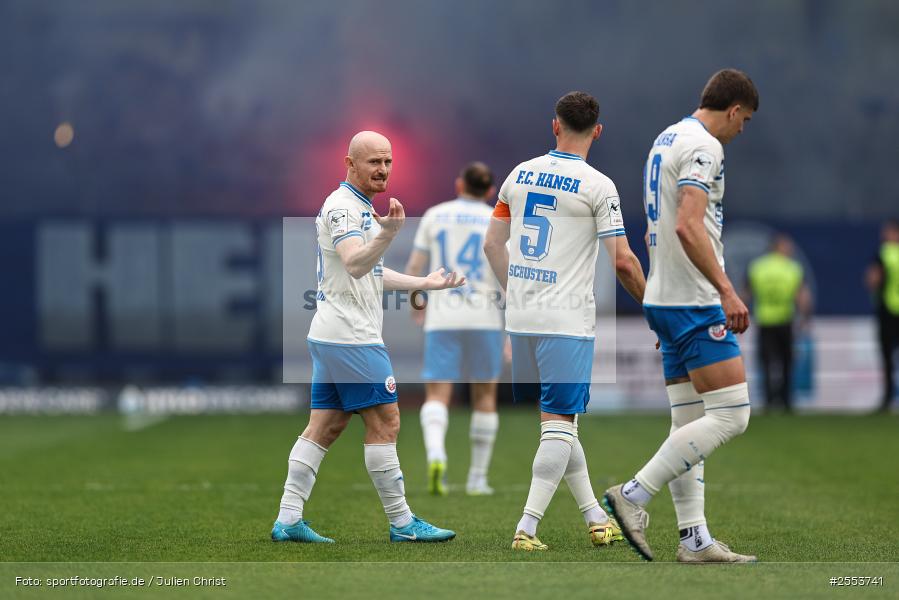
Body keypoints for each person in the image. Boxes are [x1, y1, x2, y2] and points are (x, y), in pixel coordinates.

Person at [271, 131, 465, 544]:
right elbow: (356, 263)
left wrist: (424, 283)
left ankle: (288, 519)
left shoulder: (359, 207)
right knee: (387, 421)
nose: (382, 170)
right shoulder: (343, 207)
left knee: (324, 427)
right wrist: (390, 234)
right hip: (350, 338)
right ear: (350, 163)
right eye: (374, 162)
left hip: (333, 334)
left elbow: (371, 272)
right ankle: (402, 523)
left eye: (388, 162)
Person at [603, 69, 759, 563]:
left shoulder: (667, 136)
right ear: (734, 110)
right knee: (733, 415)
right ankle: (633, 495)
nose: (743, 130)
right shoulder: (704, 146)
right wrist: (727, 291)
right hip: (693, 300)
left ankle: (693, 538)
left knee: (688, 420)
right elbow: (688, 225)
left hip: (665, 298)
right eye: (746, 120)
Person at [483, 91, 647, 551]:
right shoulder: (598, 186)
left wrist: (514, 292)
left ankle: (595, 517)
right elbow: (624, 263)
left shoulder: (518, 175)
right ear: (597, 131)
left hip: (523, 317)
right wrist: (656, 311)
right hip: (566, 320)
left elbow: (493, 247)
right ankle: (527, 528)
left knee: (559, 423)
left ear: (554, 125)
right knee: (559, 423)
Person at [405, 162, 504, 496]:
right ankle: (478, 479)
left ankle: (437, 456)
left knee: (437, 393)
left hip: (443, 316)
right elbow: (505, 269)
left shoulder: (434, 215)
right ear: (490, 190)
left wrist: (418, 306)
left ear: (459, 184)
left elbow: (416, 267)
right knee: (485, 395)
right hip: (484, 316)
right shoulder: (496, 217)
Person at [747, 233, 812, 412]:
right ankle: (786, 401)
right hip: (785, 320)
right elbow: (802, 296)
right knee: (787, 362)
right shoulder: (793, 268)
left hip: (765, 320)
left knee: (767, 363)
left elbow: (746, 293)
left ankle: (769, 402)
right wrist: (805, 317)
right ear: (780, 247)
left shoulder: (758, 267)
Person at [866, 219, 899, 412]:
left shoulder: (884, 253)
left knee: (887, 357)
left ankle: (887, 398)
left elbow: (873, 279)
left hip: (888, 310)